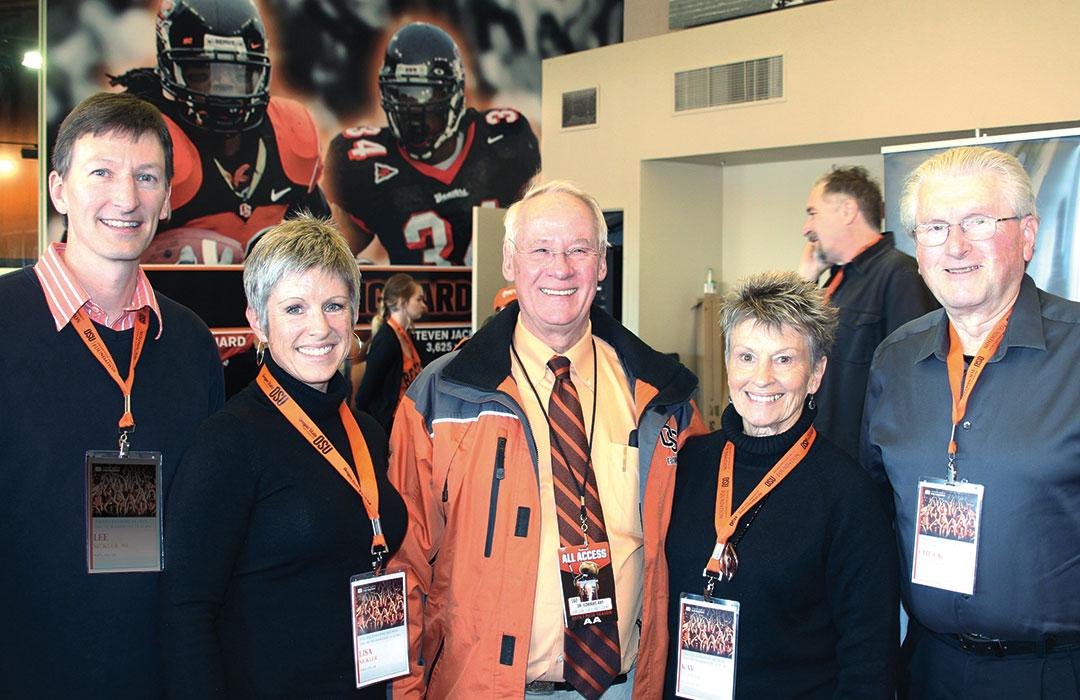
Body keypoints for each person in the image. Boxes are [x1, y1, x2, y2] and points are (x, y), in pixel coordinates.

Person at [387, 180, 705, 699]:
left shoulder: (661, 399)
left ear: (602, 265)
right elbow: (404, 567)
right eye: (540, 249)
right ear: (510, 262)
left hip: (625, 687)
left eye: (579, 250)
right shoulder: (442, 399)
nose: (560, 268)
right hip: (486, 688)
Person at [0, 92, 224, 696]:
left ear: (168, 198)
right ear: (57, 190)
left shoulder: (190, 343)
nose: (126, 199)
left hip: (159, 674)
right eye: (101, 172)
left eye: (146, 177)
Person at [861, 146, 1080, 698]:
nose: (954, 246)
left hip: (1052, 673)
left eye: (978, 222)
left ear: (1027, 235)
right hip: (927, 666)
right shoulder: (895, 360)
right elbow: (876, 508)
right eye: (934, 227)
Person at [159, 214, 408, 696]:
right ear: (258, 321)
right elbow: (185, 612)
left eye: (334, 305)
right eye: (295, 308)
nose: (319, 327)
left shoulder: (369, 434)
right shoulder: (229, 441)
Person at [664, 271, 898, 699]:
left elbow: (868, 660)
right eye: (747, 357)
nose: (762, 378)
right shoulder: (687, 464)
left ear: (816, 374)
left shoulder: (847, 494)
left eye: (784, 359)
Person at [110, 0, 330, 264]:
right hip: (162, 298)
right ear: (169, 69)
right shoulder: (142, 135)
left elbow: (324, 247)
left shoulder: (289, 133)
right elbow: (91, 257)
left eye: (238, 75)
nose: (223, 89)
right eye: (203, 74)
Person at [324, 21, 540, 265]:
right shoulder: (366, 164)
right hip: (414, 302)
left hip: (493, 301)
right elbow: (330, 255)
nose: (413, 107)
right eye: (401, 94)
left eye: (425, 93)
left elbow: (540, 233)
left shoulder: (503, 139)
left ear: (456, 95)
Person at [798, 166, 937, 458]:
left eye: (813, 213)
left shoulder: (899, 275)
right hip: (824, 454)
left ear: (848, 210)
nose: (806, 228)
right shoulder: (837, 279)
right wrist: (805, 281)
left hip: (865, 465)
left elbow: (914, 386)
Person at [355, 272, 428, 433]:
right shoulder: (386, 340)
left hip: (409, 422)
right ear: (402, 302)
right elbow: (364, 397)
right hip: (392, 429)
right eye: (419, 299)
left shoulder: (407, 335)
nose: (424, 305)